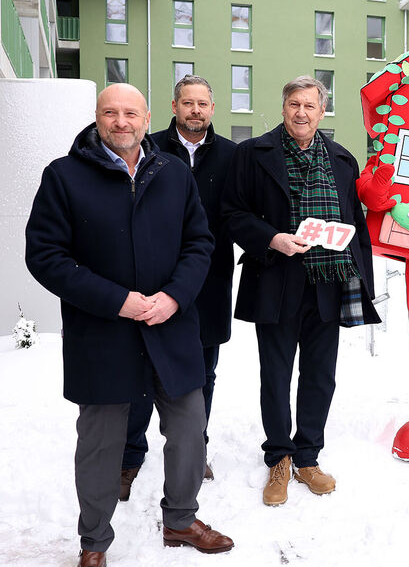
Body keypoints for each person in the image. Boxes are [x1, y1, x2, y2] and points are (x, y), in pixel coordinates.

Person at [25, 83, 233, 567]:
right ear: (97, 117)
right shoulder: (64, 176)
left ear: (147, 118)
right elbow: (46, 256)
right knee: (100, 442)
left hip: (170, 324)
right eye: (110, 112)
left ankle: (181, 519)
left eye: (131, 113)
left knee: (187, 427)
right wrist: (117, 301)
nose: (122, 122)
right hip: (102, 330)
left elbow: (200, 244)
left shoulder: (174, 175)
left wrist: (174, 297)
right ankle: (94, 542)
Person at [221, 76, 380, 506]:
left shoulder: (343, 160)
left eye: (310, 105)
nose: (302, 113)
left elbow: (357, 227)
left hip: (327, 284)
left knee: (320, 376)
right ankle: (279, 458)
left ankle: (308, 455)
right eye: (294, 104)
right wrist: (272, 238)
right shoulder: (253, 155)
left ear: (322, 111)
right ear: (284, 106)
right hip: (276, 279)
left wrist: (361, 278)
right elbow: (231, 213)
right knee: (275, 375)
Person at [120, 75, 236, 499]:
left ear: (212, 107)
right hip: (152, 282)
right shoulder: (147, 148)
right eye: (188, 103)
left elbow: (239, 212)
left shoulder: (231, 155)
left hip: (209, 283)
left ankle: (194, 448)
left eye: (203, 103)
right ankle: (130, 457)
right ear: (174, 106)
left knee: (202, 372)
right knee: (142, 372)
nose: (195, 111)